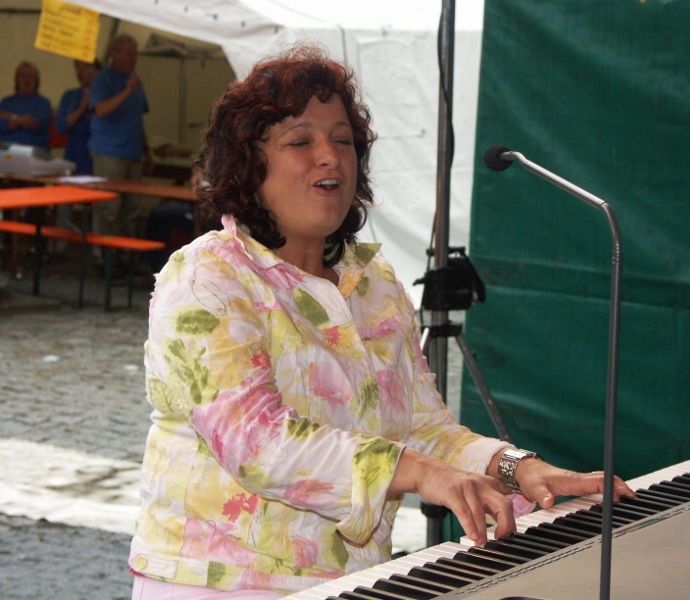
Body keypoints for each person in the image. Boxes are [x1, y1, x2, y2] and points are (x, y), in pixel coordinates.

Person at [129, 44, 634, 599]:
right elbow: (257, 443)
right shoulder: (206, 276)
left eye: (343, 140)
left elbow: (423, 428)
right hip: (221, 583)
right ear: (248, 168)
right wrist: (419, 471)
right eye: (301, 141)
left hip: (356, 581)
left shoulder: (373, 283)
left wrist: (517, 468)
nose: (331, 157)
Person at [89, 33, 153, 262]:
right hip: (109, 153)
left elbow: (138, 118)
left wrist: (147, 150)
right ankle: (104, 257)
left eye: (135, 54)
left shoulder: (135, 81)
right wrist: (126, 90)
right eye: (128, 54)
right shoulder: (102, 79)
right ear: (114, 54)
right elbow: (101, 110)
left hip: (133, 153)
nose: (133, 59)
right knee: (110, 208)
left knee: (131, 208)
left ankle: (126, 256)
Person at [53, 59, 101, 254]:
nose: (81, 72)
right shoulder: (70, 95)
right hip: (74, 151)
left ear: (97, 70)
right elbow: (60, 126)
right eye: (77, 68)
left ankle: (98, 252)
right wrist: (82, 107)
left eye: (85, 68)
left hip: (96, 152)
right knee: (64, 201)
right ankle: (58, 248)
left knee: (100, 203)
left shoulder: (104, 94)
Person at [0, 61, 52, 152]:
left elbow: (33, 124)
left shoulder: (43, 103)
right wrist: (22, 119)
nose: (26, 79)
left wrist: (11, 118)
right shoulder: (6, 102)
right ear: (17, 79)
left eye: (30, 76)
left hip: (36, 153)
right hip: (8, 153)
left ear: (36, 81)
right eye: (22, 75)